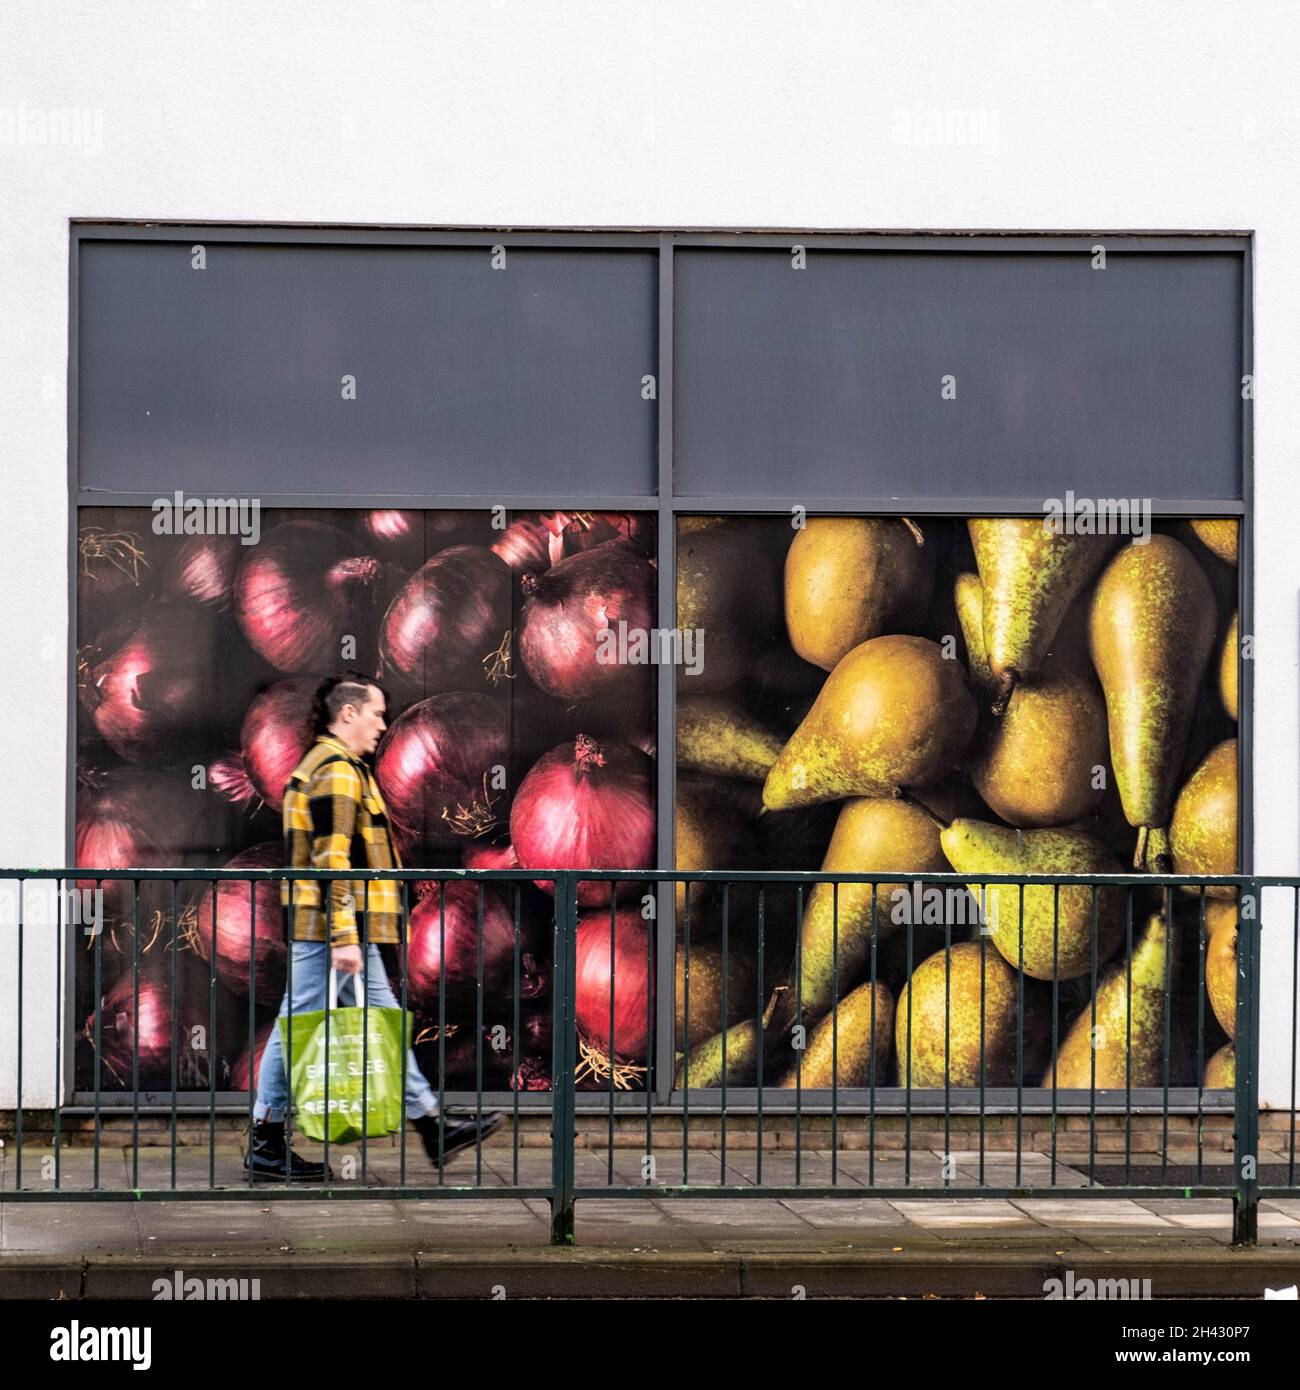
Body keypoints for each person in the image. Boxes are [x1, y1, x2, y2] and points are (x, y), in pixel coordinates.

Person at [246, 672, 501, 1181]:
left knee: (371, 1019)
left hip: (332, 927)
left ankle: (431, 1126)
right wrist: (343, 936)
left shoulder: (332, 767)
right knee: (297, 1028)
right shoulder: (336, 771)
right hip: (329, 930)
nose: (383, 724)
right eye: (376, 713)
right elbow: (330, 859)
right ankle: (268, 1142)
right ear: (347, 715)